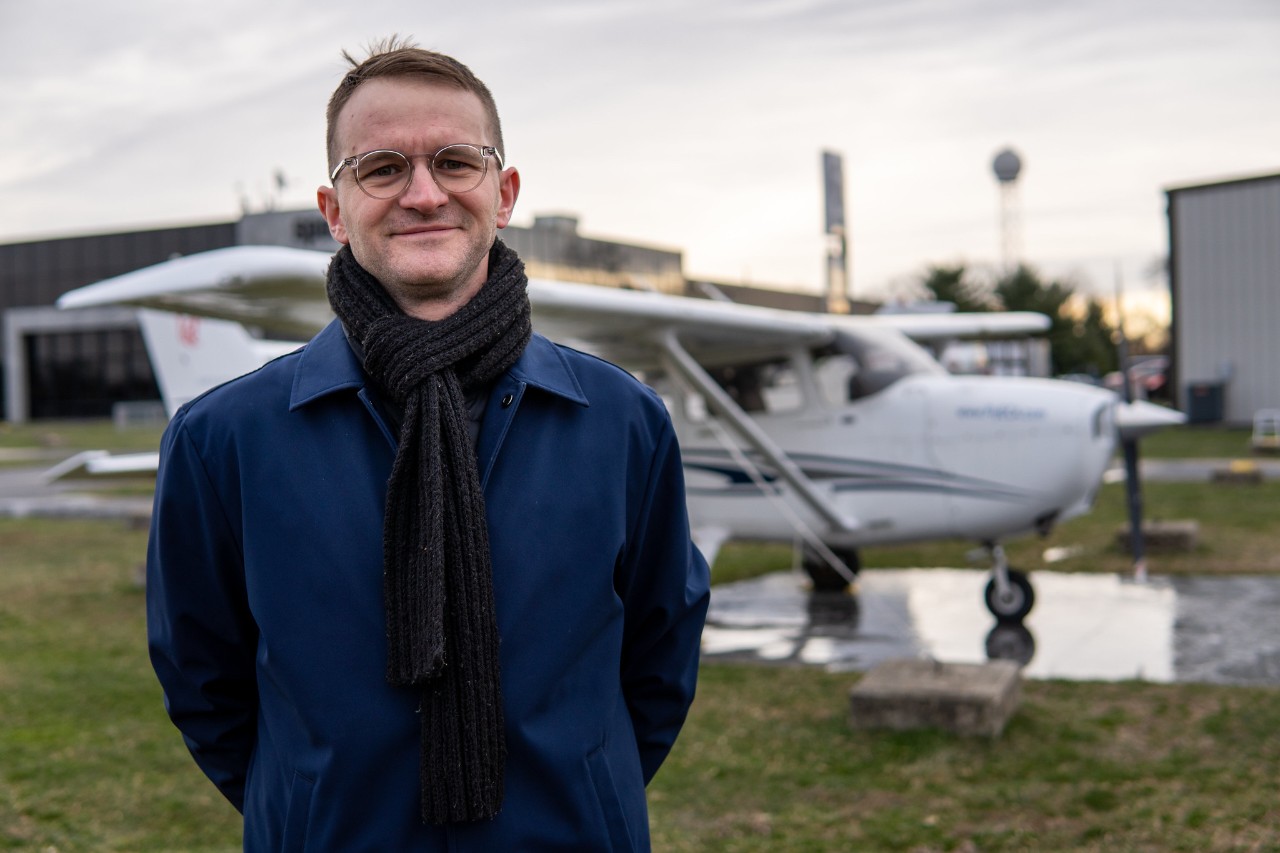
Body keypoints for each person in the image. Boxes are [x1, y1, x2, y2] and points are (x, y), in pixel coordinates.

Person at [147, 37, 710, 851]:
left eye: (455, 161)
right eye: (381, 168)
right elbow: (205, 682)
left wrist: (586, 793)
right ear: (334, 210)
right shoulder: (222, 440)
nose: (423, 194)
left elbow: (659, 664)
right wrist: (310, 805)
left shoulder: (622, 420)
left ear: (504, 191)